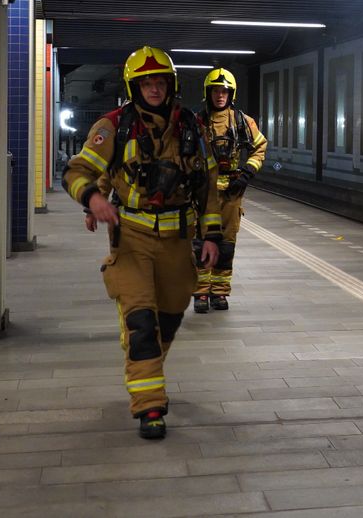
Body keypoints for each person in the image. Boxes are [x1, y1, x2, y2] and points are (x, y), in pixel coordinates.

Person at [62, 45, 223, 439]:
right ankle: (149, 406)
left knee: (168, 318)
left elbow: (207, 186)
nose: (154, 88)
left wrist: (213, 235)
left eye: (160, 81)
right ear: (135, 87)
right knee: (141, 322)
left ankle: (146, 368)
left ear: (170, 85)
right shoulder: (114, 125)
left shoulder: (191, 127)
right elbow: (77, 171)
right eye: (146, 82)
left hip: (177, 241)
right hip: (132, 239)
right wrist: (93, 200)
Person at [192, 67, 267, 313]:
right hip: (203, 195)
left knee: (226, 244)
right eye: (216, 90)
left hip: (231, 195)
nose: (220, 95)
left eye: (224, 91)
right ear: (208, 93)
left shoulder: (243, 122)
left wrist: (246, 173)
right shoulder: (197, 123)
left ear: (231, 94)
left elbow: (260, 146)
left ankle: (220, 293)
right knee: (200, 242)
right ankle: (201, 293)